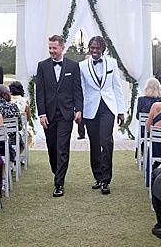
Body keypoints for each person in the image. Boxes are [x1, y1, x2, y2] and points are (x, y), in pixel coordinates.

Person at [35, 34, 83, 198]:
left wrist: (78, 109)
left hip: (66, 113)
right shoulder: (42, 66)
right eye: (50, 48)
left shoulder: (73, 66)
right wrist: (41, 114)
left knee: (62, 148)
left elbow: (77, 90)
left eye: (54, 48)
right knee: (52, 147)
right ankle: (57, 171)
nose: (51, 51)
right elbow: (39, 92)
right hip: (48, 114)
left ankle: (59, 184)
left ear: (62, 48)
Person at [79, 35, 125, 196]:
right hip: (90, 108)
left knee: (106, 142)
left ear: (103, 49)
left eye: (98, 48)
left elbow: (117, 87)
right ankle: (97, 176)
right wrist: (80, 110)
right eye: (92, 47)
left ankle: (106, 179)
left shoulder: (111, 63)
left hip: (108, 107)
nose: (95, 50)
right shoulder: (82, 66)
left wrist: (121, 110)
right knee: (94, 143)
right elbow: (82, 89)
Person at [0, 83, 23, 164]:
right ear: (4, 95)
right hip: (12, 139)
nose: (11, 94)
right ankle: (12, 162)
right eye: (9, 92)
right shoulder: (13, 107)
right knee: (21, 140)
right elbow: (19, 127)